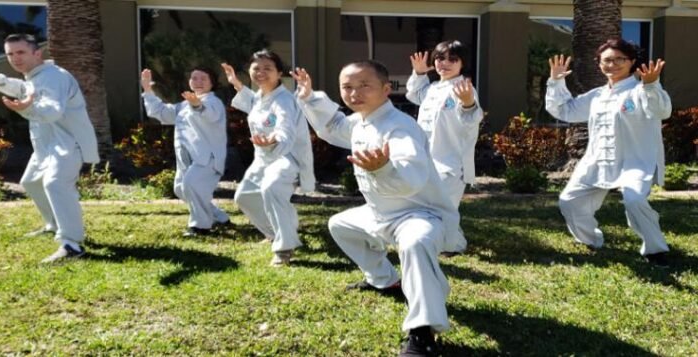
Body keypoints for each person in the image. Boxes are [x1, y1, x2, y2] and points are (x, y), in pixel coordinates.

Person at [292, 61, 460, 357]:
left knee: (416, 243)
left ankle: (423, 332)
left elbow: (412, 179)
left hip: (419, 214)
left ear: (385, 89)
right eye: (347, 87)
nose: (354, 93)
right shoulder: (362, 121)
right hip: (381, 213)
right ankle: (386, 279)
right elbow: (334, 126)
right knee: (340, 225)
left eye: (363, 85)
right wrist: (309, 97)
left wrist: (384, 168)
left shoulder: (400, 127)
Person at [0, 34, 99, 263]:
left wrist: (26, 108)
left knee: (55, 183)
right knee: (31, 182)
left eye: (21, 52)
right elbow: (22, 87)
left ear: (37, 53)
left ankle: (72, 245)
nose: (15, 58)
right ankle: (54, 224)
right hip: (47, 147)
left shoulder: (53, 77)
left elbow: (52, 111)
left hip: (68, 144)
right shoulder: (36, 76)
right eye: (10, 54)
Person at [545, 38, 673, 266]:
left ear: (632, 61)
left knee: (634, 200)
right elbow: (565, 110)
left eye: (619, 59)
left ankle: (656, 250)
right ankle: (590, 240)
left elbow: (661, 111)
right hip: (596, 160)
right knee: (569, 201)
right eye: (606, 60)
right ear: (599, 64)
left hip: (634, 160)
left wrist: (652, 85)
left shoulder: (640, 90)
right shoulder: (597, 95)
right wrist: (555, 82)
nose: (612, 64)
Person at [220, 50, 315, 267]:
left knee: (271, 188)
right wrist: (235, 83)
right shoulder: (260, 96)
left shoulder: (284, 100)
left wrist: (275, 140)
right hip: (263, 157)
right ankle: (275, 232)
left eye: (267, 68)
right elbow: (250, 102)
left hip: (285, 155)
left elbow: (285, 127)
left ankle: (284, 248)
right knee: (244, 197)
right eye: (256, 68)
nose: (261, 72)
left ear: (279, 73)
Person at [405, 40, 483, 255]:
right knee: (435, 206)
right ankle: (446, 241)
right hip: (427, 159)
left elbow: (471, 119)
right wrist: (419, 73)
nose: (444, 63)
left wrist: (468, 103)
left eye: (452, 59)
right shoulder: (433, 88)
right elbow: (414, 94)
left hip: (452, 162)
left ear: (462, 64)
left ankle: (455, 245)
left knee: (444, 208)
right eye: (440, 58)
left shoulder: (464, 88)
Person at [140, 67, 232, 237]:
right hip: (187, 158)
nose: (198, 82)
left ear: (212, 83)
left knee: (192, 185)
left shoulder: (214, 103)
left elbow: (209, 115)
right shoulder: (184, 104)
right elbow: (162, 113)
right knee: (181, 189)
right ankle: (219, 217)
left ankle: (200, 227)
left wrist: (197, 105)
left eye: (203, 79)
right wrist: (147, 89)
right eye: (194, 78)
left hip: (208, 158)